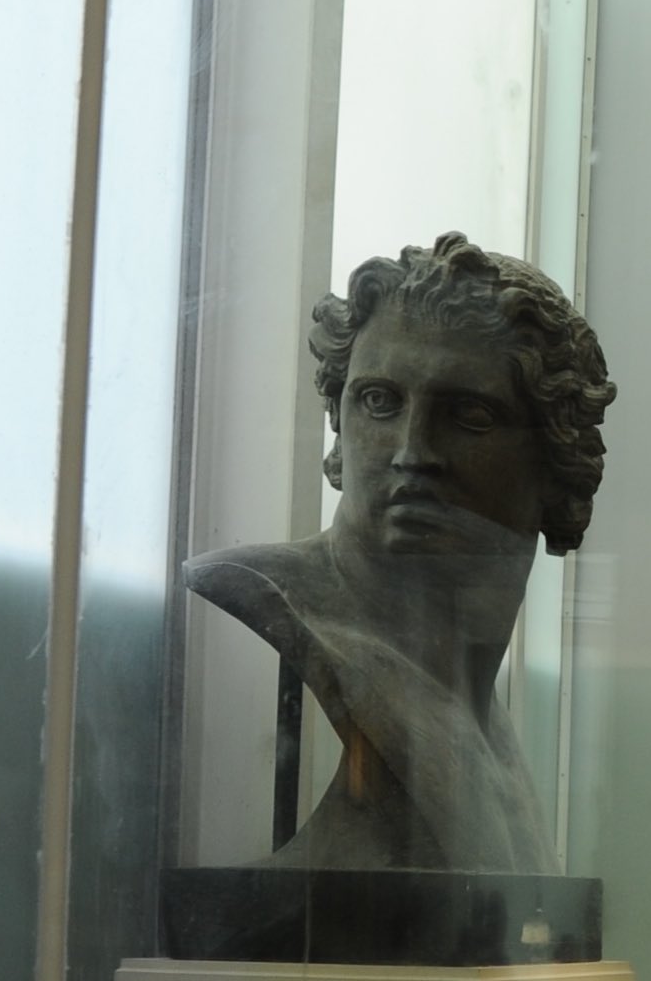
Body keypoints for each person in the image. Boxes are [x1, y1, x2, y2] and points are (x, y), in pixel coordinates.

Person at [187, 232, 614, 874]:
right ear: (338, 425)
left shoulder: (478, 716)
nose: (413, 452)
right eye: (379, 402)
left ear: (558, 458)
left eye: (468, 416)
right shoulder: (274, 603)